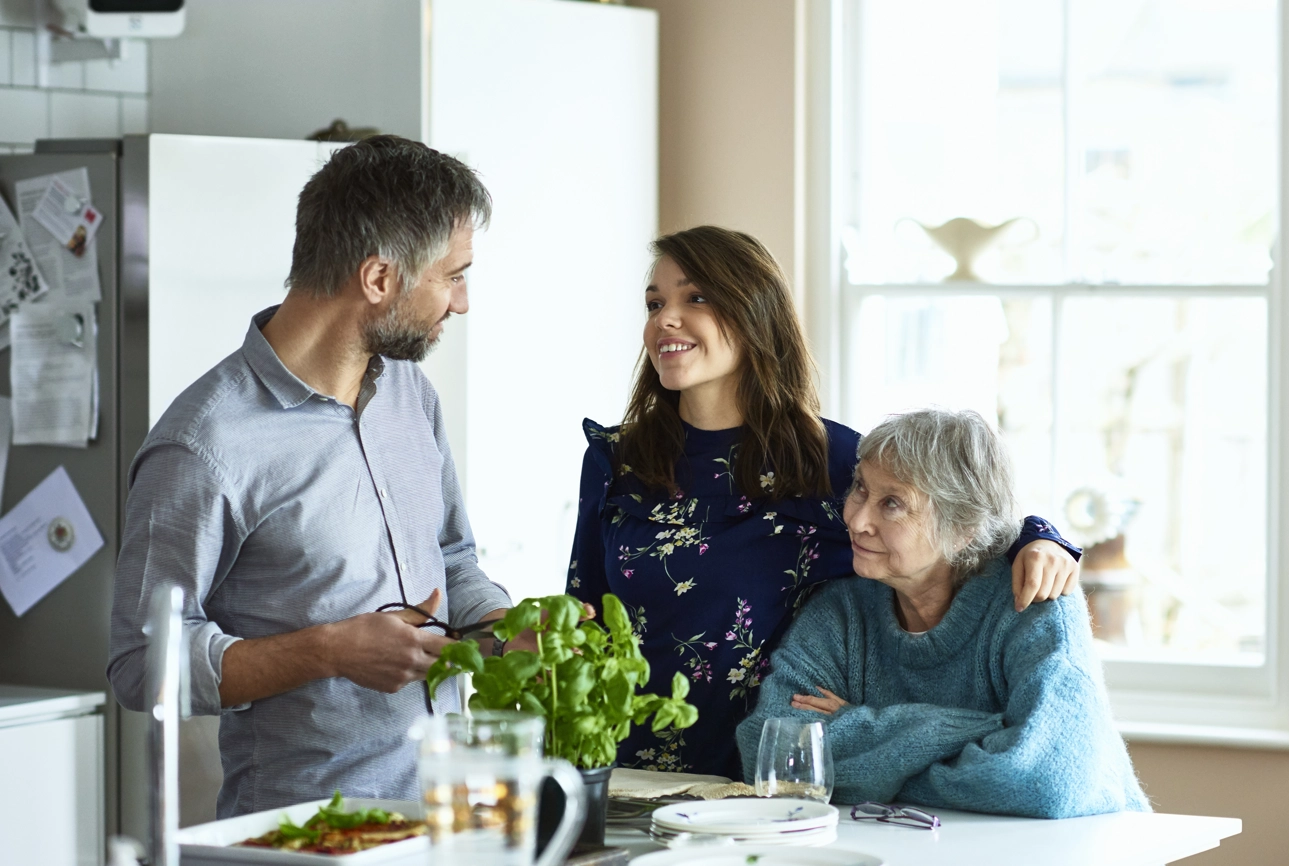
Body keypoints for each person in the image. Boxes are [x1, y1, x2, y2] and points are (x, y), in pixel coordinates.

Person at [566, 226, 1082, 779]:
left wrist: (1043, 536)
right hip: (622, 772)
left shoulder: (831, 459)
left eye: (695, 297)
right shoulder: (615, 459)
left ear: (755, 312)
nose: (665, 318)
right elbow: (584, 611)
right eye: (655, 302)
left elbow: (953, 520)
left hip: (771, 778)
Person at [107, 136, 510, 818]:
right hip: (303, 833)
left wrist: (503, 624)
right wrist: (329, 651)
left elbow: (451, 558)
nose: (462, 301)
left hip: (438, 818)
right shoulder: (205, 443)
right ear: (379, 279)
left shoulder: (410, 395)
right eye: (453, 275)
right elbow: (142, 664)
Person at [736, 409, 1148, 818]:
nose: (857, 520)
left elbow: (1046, 779)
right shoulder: (842, 610)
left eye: (892, 504)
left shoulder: (1035, 601)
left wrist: (861, 735)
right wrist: (985, 728)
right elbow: (769, 753)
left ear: (963, 527)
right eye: (860, 488)